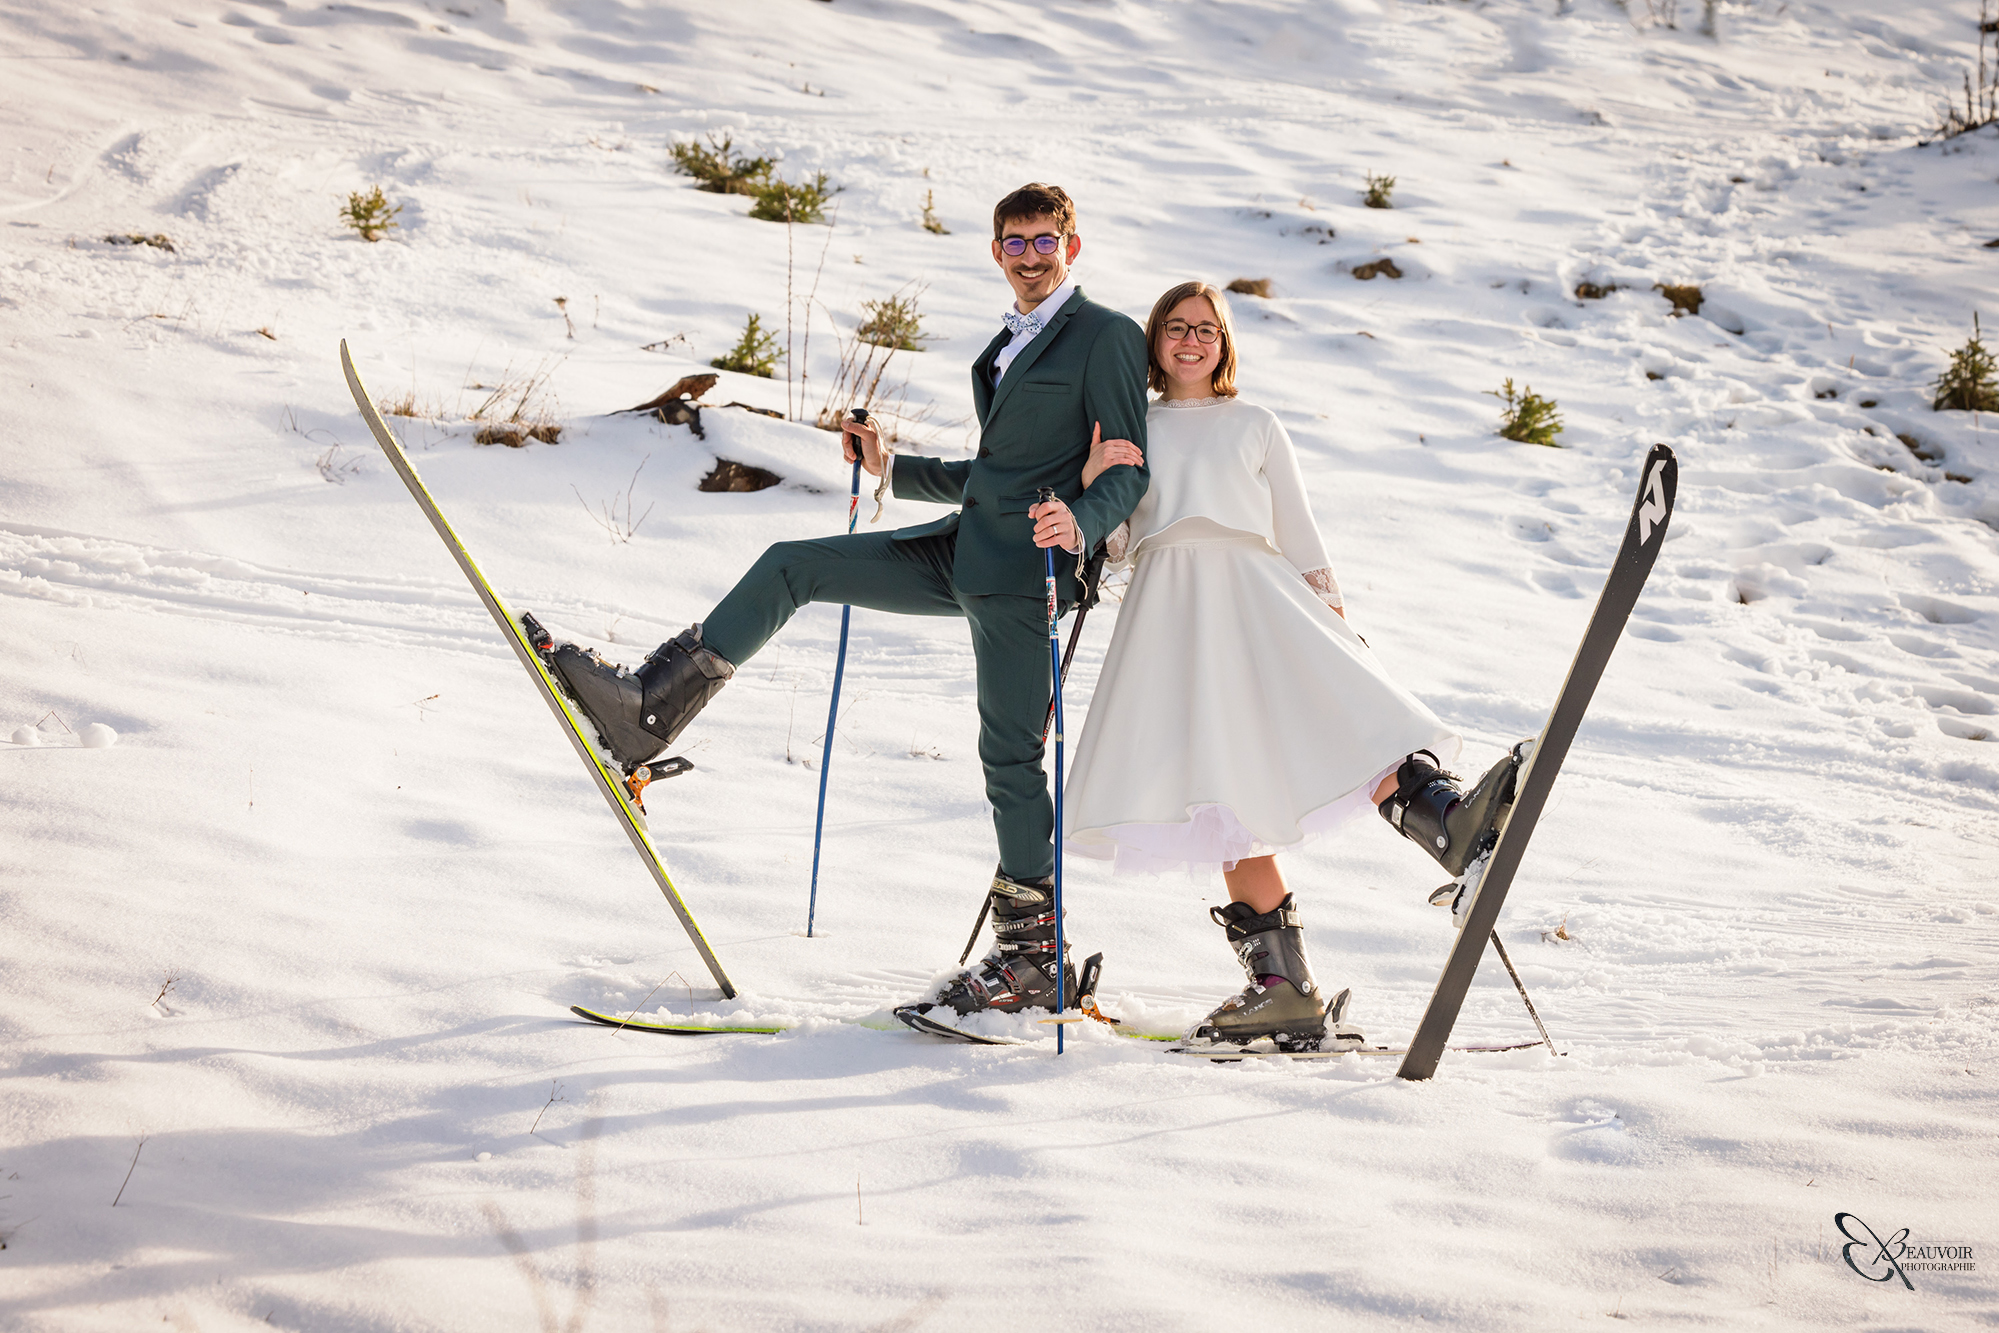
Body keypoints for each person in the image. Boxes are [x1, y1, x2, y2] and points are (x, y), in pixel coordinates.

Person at [540, 183, 1151, 1020]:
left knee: (1009, 761)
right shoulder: (1008, 344)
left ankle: (1034, 958)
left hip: (1027, 571)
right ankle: (648, 709)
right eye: (1015, 243)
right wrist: (892, 466)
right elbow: (994, 474)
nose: (1031, 257)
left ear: (1071, 248)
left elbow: (1125, 464)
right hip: (961, 546)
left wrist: (1079, 522)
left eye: (1047, 243)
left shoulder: (1107, 336)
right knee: (792, 563)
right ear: (997, 252)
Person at [1063, 281, 1526, 1050]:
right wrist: (1090, 482)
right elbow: (1111, 544)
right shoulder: (1131, 423)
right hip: (1168, 617)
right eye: (1175, 327)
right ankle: (1282, 989)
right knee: (1222, 792)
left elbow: (1300, 533)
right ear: (1153, 340)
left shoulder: (1254, 423)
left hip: (1255, 592)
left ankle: (1449, 822)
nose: (1189, 339)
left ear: (1224, 342)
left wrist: (1334, 617)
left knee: (1328, 719)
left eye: (1205, 328)